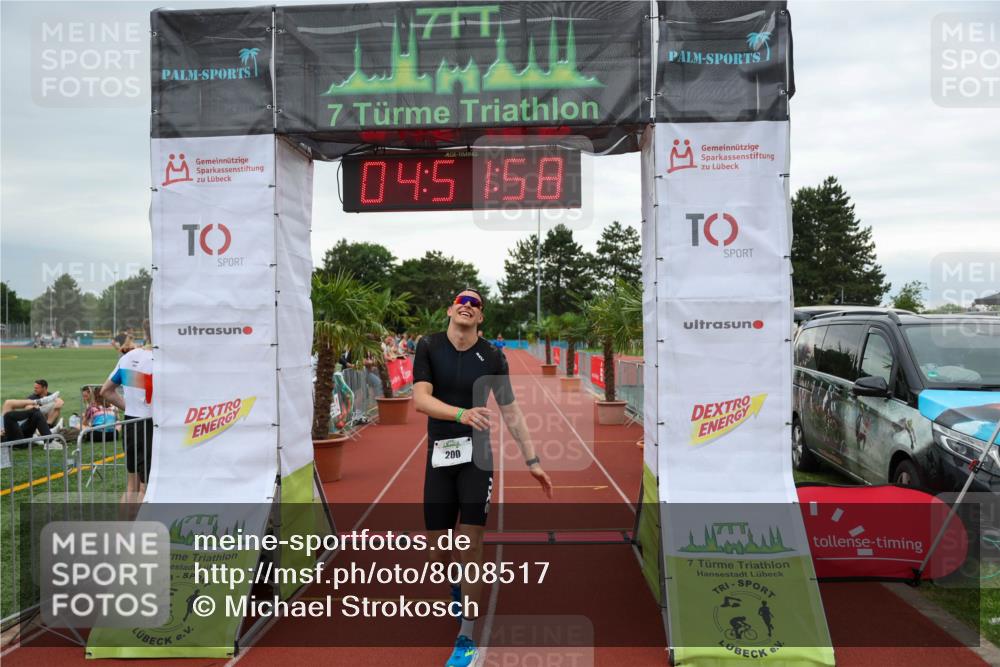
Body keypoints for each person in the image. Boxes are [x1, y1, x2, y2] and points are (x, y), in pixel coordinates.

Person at [413, 288, 553, 667]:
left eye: (476, 304)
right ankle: (458, 585)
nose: (468, 306)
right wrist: (461, 415)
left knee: (471, 542)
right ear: (450, 309)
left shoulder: (492, 356)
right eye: (462, 301)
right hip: (440, 456)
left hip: (479, 457)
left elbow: (511, 410)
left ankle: (467, 634)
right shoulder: (428, 346)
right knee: (439, 548)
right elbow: (420, 400)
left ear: (481, 317)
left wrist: (533, 459)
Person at [101, 321, 153, 504]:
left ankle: (122, 530)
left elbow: (105, 391)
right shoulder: (160, 360)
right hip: (150, 425)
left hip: (130, 423)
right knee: (145, 488)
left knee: (132, 486)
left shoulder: (128, 357)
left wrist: (129, 407)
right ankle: (139, 532)